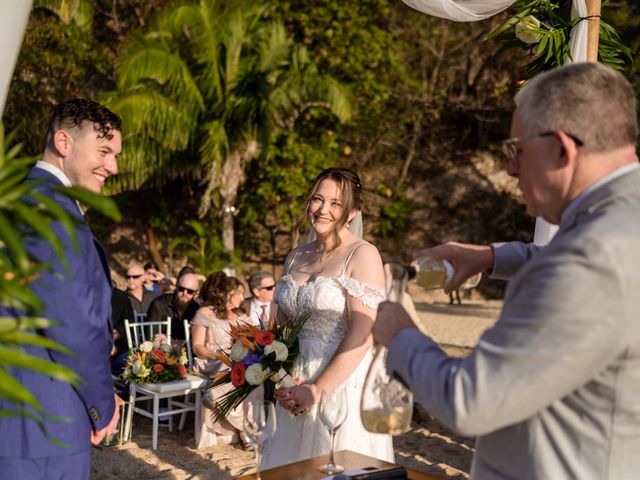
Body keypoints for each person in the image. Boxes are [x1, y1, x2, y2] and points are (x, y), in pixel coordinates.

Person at [373, 62, 640, 479]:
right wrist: (490, 256)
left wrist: (401, 336)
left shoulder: (589, 261)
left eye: (517, 151)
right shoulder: (623, 220)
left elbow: (468, 401)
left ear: (563, 149)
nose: (512, 170)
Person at [0, 98, 122, 479]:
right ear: (64, 142)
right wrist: (102, 402)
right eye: (104, 151)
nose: (113, 166)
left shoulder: (26, 198)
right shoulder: (49, 210)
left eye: (115, 154)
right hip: (42, 425)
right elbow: (71, 323)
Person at [260, 167, 394, 469]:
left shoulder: (362, 254)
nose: (323, 210)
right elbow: (281, 326)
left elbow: (363, 332)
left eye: (335, 203)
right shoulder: (295, 256)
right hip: (294, 381)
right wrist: (275, 371)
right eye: (318, 200)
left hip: (340, 383)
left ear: (352, 213)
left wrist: (318, 389)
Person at [190, 272, 252, 449]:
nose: (242, 297)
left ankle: (242, 423)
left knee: (252, 370)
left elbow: (252, 339)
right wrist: (218, 354)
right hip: (211, 360)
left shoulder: (239, 315)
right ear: (228, 294)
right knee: (233, 369)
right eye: (239, 293)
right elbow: (197, 346)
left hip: (236, 360)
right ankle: (245, 428)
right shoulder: (205, 312)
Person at [146, 271, 200, 340]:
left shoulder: (196, 309)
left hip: (187, 348)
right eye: (181, 289)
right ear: (176, 287)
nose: (184, 293)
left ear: (195, 293)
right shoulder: (159, 304)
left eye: (190, 291)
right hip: (162, 348)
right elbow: (151, 334)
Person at [110, 286, 135, 376]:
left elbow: (128, 324)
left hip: (119, 349)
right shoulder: (81, 296)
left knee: (136, 363)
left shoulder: (120, 297)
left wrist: (111, 338)